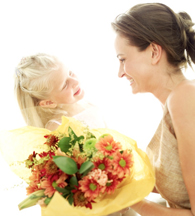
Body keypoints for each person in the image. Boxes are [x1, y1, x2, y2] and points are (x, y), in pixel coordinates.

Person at [112, 2, 195, 216]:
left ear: (154, 52)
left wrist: (132, 201)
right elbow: (186, 182)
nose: (120, 73)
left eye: (123, 59)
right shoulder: (182, 100)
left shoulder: (189, 98)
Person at [13, 53, 137, 216]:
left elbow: (110, 140)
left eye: (70, 73)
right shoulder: (56, 128)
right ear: (48, 102)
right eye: (65, 84)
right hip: (96, 199)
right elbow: (72, 177)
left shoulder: (88, 105)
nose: (75, 81)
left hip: (115, 184)